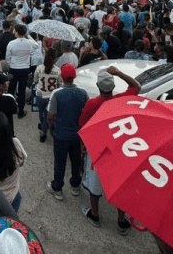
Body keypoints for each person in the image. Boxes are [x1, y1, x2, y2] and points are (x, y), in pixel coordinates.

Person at [78, 66, 141, 235]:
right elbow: (137, 87)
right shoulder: (121, 100)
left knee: (94, 183)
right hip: (119, 149)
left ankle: (95, 214)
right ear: (113, 87)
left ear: (98, 87)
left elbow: (82, 124)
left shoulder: (92, 104)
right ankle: (121, 220)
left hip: (98, 149)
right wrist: (119, 73)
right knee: (120, 185)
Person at [46, 64, 89, 201]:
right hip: (77, 135)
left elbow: (50, 116)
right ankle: (75, 186)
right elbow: (86, 112)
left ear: (62, 77)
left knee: (60, 162)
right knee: (76, 161)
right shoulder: (83, 92)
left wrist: (51, 128)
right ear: (74, 77)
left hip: (61, 135)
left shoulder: (57, 94)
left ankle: (57, 188)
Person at [5, 24, 38, 119]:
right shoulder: (29, 43)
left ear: (17, 32)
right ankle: (21, 111)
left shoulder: (11, 43)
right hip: (24, 68)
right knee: (22, 90)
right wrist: (28, 35)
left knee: (11, 89)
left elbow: (8, 57)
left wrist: (10, 65)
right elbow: (36, 45)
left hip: (13, 68)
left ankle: (10, 110)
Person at [33, 48, 62, 143]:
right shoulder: (58, 70)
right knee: (47, 116)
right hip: (51, 97)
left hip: (40, 95)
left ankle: (42, 128)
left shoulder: (39, 68)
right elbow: (59, 84)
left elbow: (35, 81)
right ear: (54, 58)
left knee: (41, 114)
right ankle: (43, 132)